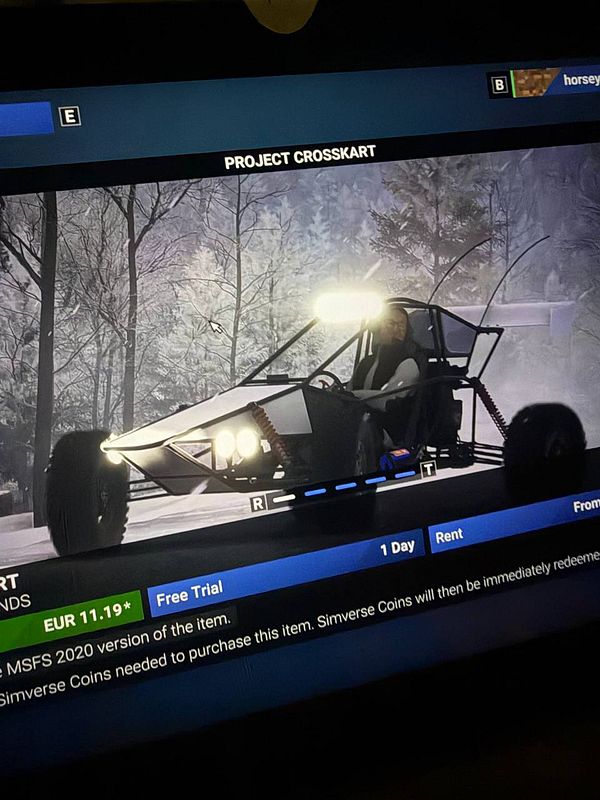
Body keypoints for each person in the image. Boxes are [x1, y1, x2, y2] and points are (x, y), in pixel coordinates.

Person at [348, 304, 422, 412]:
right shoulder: (365, 363)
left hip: (386, 426)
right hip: (354, 422)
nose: (396, 329)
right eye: (391, 323)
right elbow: (345, 394)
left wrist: (352, 396)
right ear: (378, 328)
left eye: (402, 325)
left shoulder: (408, 363)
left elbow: (388, 399)